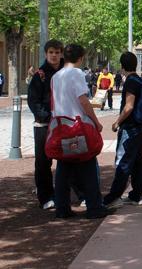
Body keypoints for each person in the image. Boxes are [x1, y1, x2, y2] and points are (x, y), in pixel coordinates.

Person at [51, 44, 106, 219]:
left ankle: (62, 208)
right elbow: (82, 100)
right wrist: (96, 122)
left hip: (61, 126)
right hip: (77, 126)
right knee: (88, 166)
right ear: (80, 58)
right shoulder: (77, 74)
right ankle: (94, 207)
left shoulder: (56, 76)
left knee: (63, 168)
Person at [103, 52, 142, 209]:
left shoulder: (130, 82)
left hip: (129, 127)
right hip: (139, 125)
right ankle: (136, 194)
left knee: (123, 161)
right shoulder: (141, 80)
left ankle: (114, 196)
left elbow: (129, 106)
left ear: (122, 66)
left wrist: (117, 122)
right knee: (137, 161)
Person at [27, 40, 64, 210]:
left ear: (61, 53)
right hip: (44, 125)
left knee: (72, 157)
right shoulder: (39, 75)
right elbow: (33, 102)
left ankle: (79, 193)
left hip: (66, 123)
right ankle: (46, 196)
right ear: (46, 54)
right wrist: (47, 117)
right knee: (43, 162)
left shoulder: (67, 72)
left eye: (57, 52)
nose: (54, 55)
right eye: (51, 52)